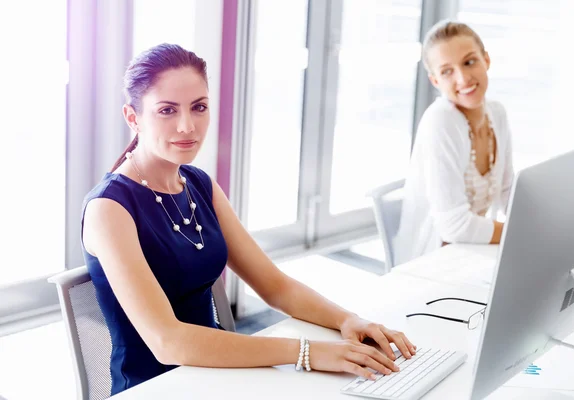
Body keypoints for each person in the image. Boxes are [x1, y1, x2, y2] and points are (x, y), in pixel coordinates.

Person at [81, 43, 416, 396]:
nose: (187, 125)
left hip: (219, 376)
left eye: (199, 107)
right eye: (167, 110)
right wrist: (307, 352)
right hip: (158, 388)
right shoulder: (110, 208)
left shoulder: (198, 184)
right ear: (133, 118)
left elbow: (275, 286)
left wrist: (349, 320)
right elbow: (169, 342)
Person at [393, 20, 514, 265]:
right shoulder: (441, 121)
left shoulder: (497, 113)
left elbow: (507, 191)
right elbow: (454, 226)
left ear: (486, 60)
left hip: (472, 252)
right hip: (433, 260)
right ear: (435, 81)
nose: (463, 78)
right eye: (447, 71)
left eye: (469, 62)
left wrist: (547, 222)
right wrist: (517, 234)